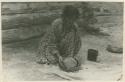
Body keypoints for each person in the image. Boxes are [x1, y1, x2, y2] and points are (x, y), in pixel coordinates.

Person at [37, 5, 82, 72]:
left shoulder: (74, 27)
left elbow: (77, 43)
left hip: (63, 49)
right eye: (69, 19)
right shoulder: (56, 24)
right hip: (50, 47)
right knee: (52, 59)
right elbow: (51, 43)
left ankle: (64, 58)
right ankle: (59, 58)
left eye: (74, 19)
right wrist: (58, 56)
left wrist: (72, 56)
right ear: (64, 17)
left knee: (67, 61)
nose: (71, 22)